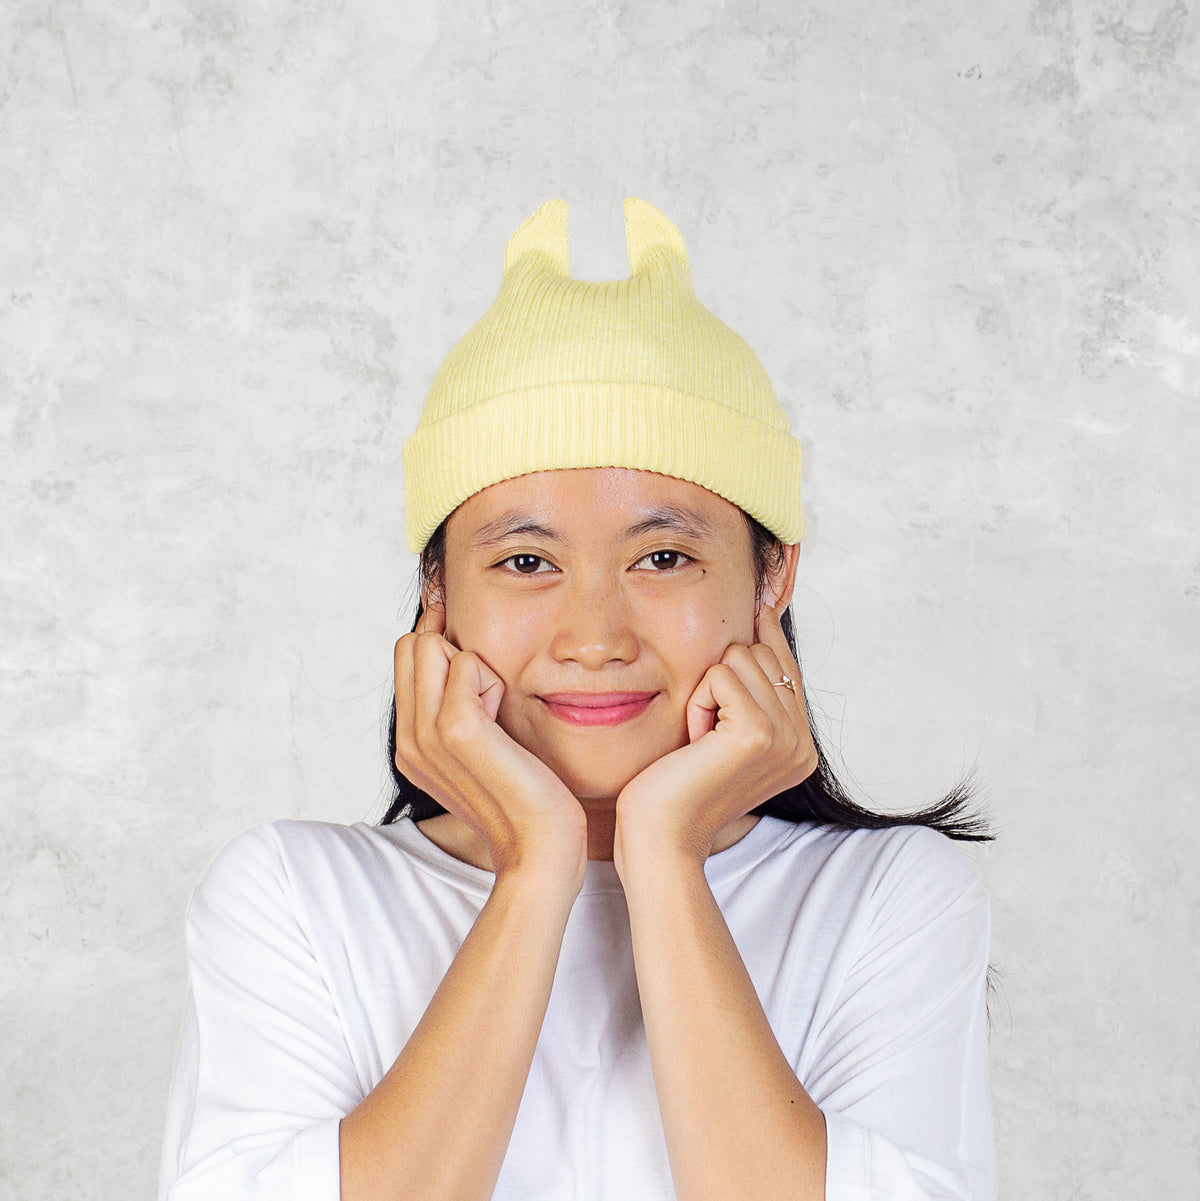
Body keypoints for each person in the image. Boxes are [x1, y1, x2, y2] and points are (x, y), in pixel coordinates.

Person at [159, 198, 995, 1201]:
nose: (594, 636)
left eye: (663, 555)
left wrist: (663, 855)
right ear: (437, 589)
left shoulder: (889, 900)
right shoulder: (293, 896)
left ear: (774, 578)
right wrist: (537, 866)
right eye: (525, 559)